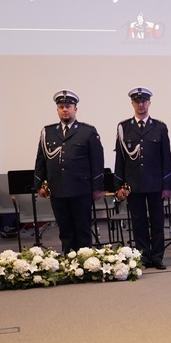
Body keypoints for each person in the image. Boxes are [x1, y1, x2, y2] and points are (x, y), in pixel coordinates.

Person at [33, 90, 104, 253]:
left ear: (75, 109)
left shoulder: (88, 131)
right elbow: (41, 159)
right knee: (65, 228)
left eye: (68, 106)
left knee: (83, 228)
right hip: (57, 188)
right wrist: (39, 184)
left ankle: (85, 260)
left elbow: (97, 162)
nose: (65, 110)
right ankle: (69, 259)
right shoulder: (48, 132)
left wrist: (98, 187)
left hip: (81, 189)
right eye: (61, 107)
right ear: (57, 110)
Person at [113, 87, 171, 270]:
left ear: (149, 103)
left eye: (144, 101)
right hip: (134, 184)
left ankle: (157, 257)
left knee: (157, 222)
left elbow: (166, 158)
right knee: (138, 222)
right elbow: (120, 159)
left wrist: (166, 185)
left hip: (155, 183)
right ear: (132, 104)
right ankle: (143, 256)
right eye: (137, 101)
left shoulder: (160, 127)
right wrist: (119, 185)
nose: (141, 105)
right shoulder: (124, 127)